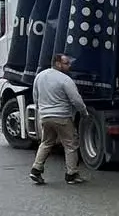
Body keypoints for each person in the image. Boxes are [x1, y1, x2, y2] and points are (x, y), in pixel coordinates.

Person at [30, 53, 90, 186]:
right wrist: (84, 112)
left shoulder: (40, 76)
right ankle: (71, 174)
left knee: (46, 142)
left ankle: (36, 169)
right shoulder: (65, 79)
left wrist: (41, 110)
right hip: (62, 117)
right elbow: (76, 99)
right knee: (70, 144)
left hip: (45, 116)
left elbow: (35, 96)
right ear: (58, 64)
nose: (69, 66)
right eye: (66, 63)